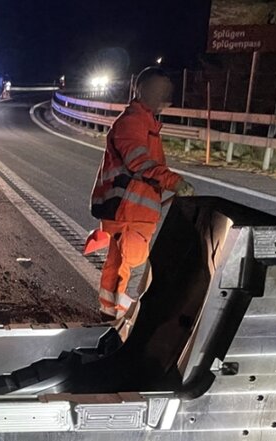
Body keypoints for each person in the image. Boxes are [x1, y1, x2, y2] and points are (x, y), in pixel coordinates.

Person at [89, 66, 194, 321]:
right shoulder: (133, 123)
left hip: (129, 212)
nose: (164, 99)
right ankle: (129, 323)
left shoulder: (145, 124)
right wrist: (174, 182)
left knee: (119, 266)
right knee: (134, 268)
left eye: (165, 93)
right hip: (129, 212)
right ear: (141, 90)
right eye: (159, 92)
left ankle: (109, 315)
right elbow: (140, 163)